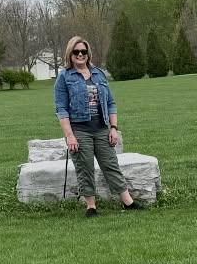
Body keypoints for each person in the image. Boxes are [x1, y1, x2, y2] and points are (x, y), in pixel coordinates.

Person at [53, 37, 142, 216]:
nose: (80, 55)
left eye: (83, 52)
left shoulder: (99, 74)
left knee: (111, 164)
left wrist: (113, 128)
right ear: (70, 54)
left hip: (101, 127)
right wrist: (69, 135)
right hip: (79, 130)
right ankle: (91, 207)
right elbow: (61, 108)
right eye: (76, 52)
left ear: (88, 54)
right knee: (84, 167)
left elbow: (111, 103)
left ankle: (128, 203)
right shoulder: (64, 76)